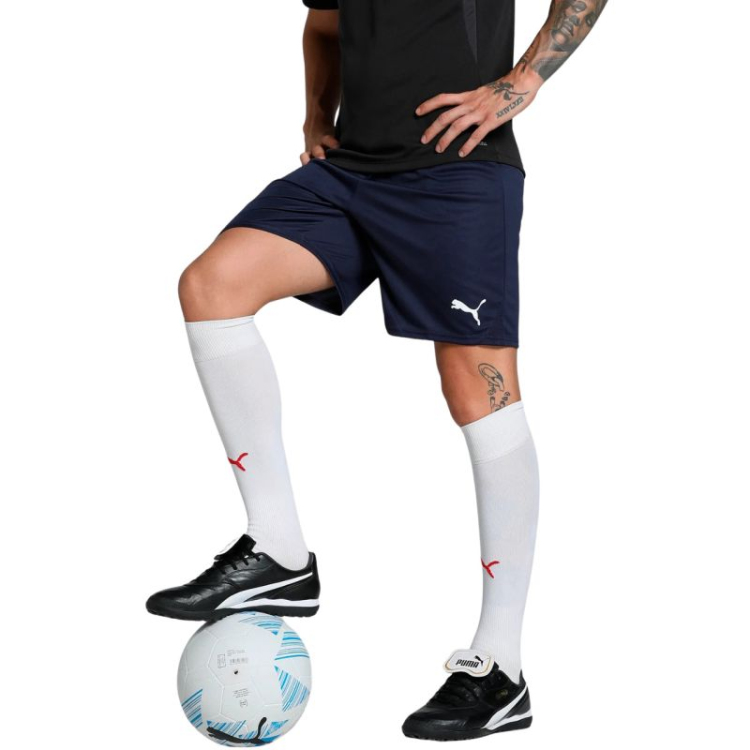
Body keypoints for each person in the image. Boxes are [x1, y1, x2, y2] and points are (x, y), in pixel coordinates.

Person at [146, 0, 608, 740]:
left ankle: (500, 668)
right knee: (211, 287)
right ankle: (279, 551)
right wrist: (314, 118)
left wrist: (521, 82)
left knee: (478, 390)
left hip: (458, 168)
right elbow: (324, 23)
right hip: (351, 170)